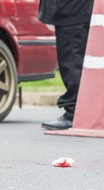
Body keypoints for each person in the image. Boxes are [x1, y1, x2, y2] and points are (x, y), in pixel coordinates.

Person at [38, 0, 94, 130]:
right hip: (76, 10)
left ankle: (74, 114)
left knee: (72, 63)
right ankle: (80, 112)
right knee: (78, 62)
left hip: (72, 11)